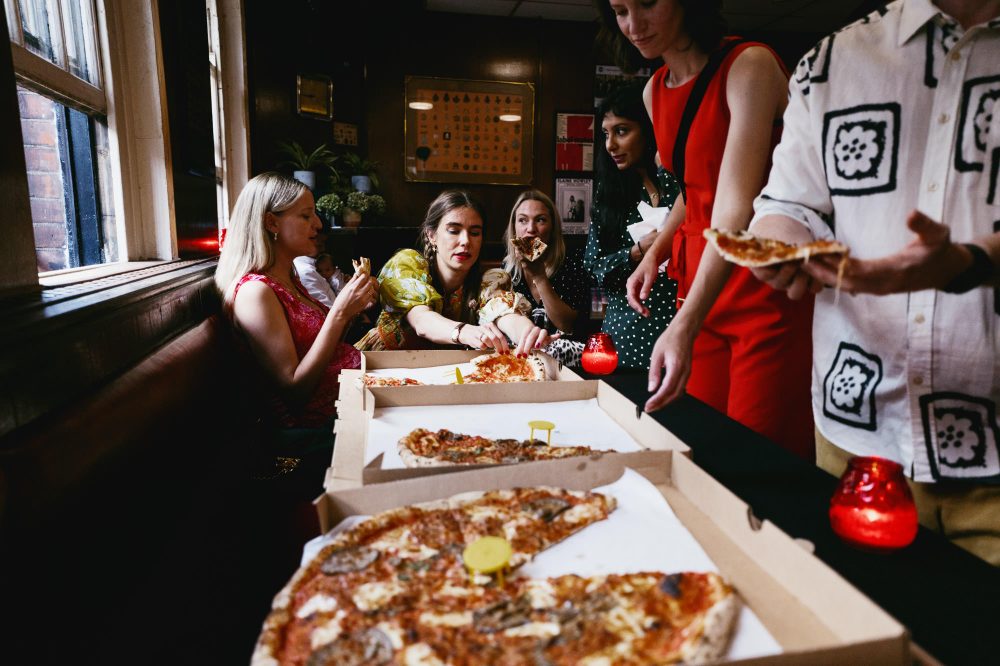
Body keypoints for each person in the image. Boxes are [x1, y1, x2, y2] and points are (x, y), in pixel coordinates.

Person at [747, 0, 1000, 564]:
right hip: (856, 437)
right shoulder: (832, 61)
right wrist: (779, 240)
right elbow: (787, 201)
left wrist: (971, 262)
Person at [597, 0, 815, 460]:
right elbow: (695, 188)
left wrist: (684, 321)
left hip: (760, 282)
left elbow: (734, 204)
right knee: (702, 447)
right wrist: (656, 253)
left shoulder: (748, 65)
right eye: (620, 10)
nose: (634, 26)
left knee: (757, 458)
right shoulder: (654, 91)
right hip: (698, 281)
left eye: (648, 4)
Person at [214, 172, 376, 433]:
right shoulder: (255, 292)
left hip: (352, 399)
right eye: (306, 215)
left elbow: (326, 349)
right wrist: (339, 313)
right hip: (318, 427)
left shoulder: (291, 278)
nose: (318, 225)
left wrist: (353, 310)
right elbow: (294, 392)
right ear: (271, 223)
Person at [355, 190, 557, 354]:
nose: (465, 241)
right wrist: (465, 331)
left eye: (475, 233)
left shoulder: (488, 281)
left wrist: (528, 332)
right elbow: (422, 322)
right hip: (379, 368)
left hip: (440, 376)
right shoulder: (407, 265)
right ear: (432, 235)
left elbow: (504, 312)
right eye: (454, 230)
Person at [584, 81, 681, 369]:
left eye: (622, 131)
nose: (610, 144)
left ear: (650, 128)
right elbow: (594, 267)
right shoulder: (609, 193)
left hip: (683, 328)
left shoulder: (677, 178)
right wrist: (638, 251)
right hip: (627, 335)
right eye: (605, 134)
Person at [503, 190, 591, 341]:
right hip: (524, 353)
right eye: (523, 220)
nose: (531, 229)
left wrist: (539, 276)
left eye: (540, 220)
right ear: (514, 228)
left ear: (552, 228)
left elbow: (567, 325)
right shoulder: (508, 268)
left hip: (565, 355)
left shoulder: (574, 262)